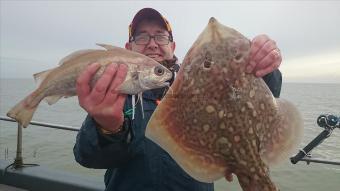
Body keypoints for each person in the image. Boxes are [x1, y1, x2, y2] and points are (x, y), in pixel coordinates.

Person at [73, 8, 283, 191]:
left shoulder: (202, 87)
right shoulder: (115, 94)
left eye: (160, 36)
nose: (152, 44)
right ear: (128, 49)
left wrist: (264, 66)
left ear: (173, 47)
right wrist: (107, 129)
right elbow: (87, 157)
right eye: (142, 37)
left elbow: (258, 97)